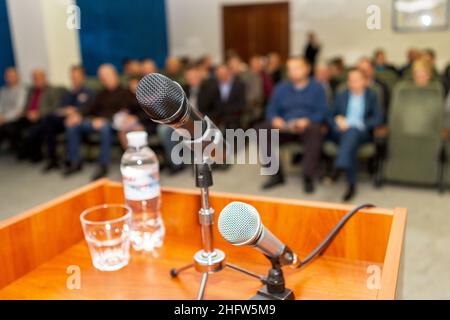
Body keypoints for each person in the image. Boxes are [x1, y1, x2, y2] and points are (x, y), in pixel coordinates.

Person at [257, 56, 328, 193]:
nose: (293, 72)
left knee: (315, 130)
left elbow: (322, 111)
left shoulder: (317, 88)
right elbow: (271, 109)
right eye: (290, 69)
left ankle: (308, 177)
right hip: (285, 127)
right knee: (262, 130)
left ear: (307, 69)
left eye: (297, 68)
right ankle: (276, 175)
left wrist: (307, 120)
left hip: (307, 127)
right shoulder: (281, 88)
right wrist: (275, 119)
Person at [64, 64, 135, 180]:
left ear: (115, 75)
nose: (104, 79)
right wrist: (78, 115)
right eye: (102, 77)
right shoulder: (101, 94)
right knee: (73, 125)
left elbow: (126, 112)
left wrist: (104, 120)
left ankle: (103, 164)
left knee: (105, 127)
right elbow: (90, 108)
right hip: (95, 122)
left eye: (107, 75)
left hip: (113, 124)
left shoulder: (126, 92)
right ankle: (74, 161)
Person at [328, 68, 383, 201]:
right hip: (341, 132)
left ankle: (339, 167)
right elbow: (330, 114)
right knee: (349, 142)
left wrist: (360, 123)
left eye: (356, 80)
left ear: (365, 81)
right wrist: (338, 120)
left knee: (351, 135)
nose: (352, 83)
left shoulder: (372, 96)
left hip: (361, 132)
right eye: (350, 80)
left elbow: (378, 118)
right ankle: (350, 185)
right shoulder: (342, 94)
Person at [42, 66, 95, 171]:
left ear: (83, 77)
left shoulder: (88, 92)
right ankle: (53, 159)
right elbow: (58, 109)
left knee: (70, 124)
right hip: (63, 119)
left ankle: (73, 161)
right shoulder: (67, 93)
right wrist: (65, 111)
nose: (74, 79)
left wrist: (75, 112)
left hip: (79, 119)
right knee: (48, 120)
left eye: (77, 76)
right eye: (73, 77)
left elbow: (90, 108)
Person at [9, 69, 59, 161]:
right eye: (35, 78)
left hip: (42, 117)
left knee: (35, 129)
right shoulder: (31, 91)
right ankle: (22, 152)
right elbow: (26, 105)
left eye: (39, 78)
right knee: (13, 126)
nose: (37, 80)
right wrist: (26, 113)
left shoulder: (51, 90)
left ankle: (36, 155)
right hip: (28, 116)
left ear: (44, 78)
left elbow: (54, 107)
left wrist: (39, 114)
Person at [0, 67, 27, 149]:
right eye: (8, 76)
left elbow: (19, 109)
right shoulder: (3, 90)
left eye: (12, 76)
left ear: (18, 77)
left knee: (7, 128)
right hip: (2, 118)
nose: (9, 78)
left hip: (16, 118)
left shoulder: (22, 90)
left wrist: (4, 118)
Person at [213, 64, 246, 129]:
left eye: (223, 73)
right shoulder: (213, 85)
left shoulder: (239, 85)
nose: (221, 75)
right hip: (218, 117)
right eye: (219, 74)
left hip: (234, 117)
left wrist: (226, 111)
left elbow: (242, 104)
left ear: (229, 72)